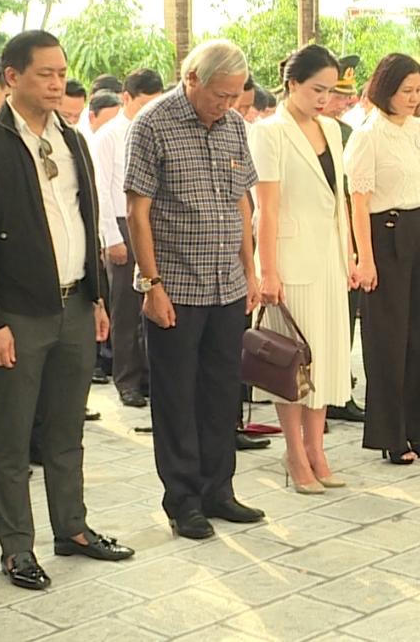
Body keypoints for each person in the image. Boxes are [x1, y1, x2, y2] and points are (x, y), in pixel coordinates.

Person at [0, 30, 132, 590]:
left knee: (66, 428)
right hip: (17, 313)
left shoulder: (72, 138)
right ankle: (16, 547)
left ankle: (72, 528)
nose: (57, 84)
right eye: (45, 74)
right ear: (12, 77)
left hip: (75, 303)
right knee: (10, 438)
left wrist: (97, 297)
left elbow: (87, 219)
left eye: (62, 73)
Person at [125, 39, 267, 537]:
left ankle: (218, 489)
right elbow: (138, 210)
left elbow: (242, 202)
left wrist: (250, 271)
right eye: (219, 95)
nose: (226, 105)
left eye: (234, 96)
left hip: (227, 284)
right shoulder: (153, 124)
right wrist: (151, 284)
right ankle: (183, 499)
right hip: (176, 287)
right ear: (191, 80)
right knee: (176, 396)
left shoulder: (234, 127)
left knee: (222, 391)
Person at [251, 44, 353, 492]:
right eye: (316, 89)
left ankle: (317, 450)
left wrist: (350, 253)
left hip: (330, 257)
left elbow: (339, 198)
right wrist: (267, 270)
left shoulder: (332, 129)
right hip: (290, 259)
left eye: (330, 91)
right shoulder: (269, 132)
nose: (324, 99)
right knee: (293, 362)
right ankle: (294, 453)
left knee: (327, 358)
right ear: (292, 84)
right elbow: (266, 208)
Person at [346, 54, 420, 458]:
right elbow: (359, 202)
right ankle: (391, 435)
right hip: (385, 232)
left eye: (418, 91)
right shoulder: (368, 135)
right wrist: (365, 258)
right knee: (389, 338)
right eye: (405, 91)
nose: (413, 98)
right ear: (385, 90)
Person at [92, 68, 164, 407]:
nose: (151, 110)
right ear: (126, 98)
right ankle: (127, 379)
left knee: (154, 300)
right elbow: (101, 190)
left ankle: (149, 374)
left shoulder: (157, 130)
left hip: (153, 223)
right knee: (125, 308)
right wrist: (111, 237)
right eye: (144, 103)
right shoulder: (109, 136)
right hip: (121, 224)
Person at [326, 55, 367, 425]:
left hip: (346, 237)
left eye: (347, 94)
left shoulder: (347, 133)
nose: (345, 101)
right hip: (315, 238)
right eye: (339, 94)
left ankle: (340, 392)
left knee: (343, 321)